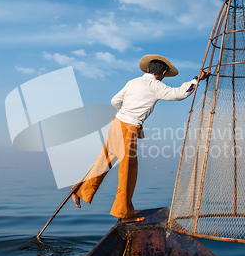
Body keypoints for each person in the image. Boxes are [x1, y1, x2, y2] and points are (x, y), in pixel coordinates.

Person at [71, 54, 207, 223]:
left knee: (104, 161)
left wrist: (126, 113)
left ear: (148, 70)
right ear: (163, 72)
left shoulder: (132, 82)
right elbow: (180, 94)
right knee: (128, 171)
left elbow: (114, 101)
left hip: (116, 124)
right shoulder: (157, 86)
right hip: (128, 129)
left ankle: (80, 190)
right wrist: (196, 80)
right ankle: (124, 214)